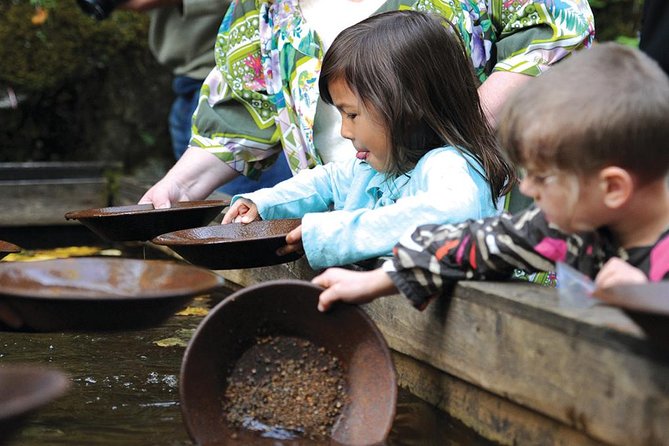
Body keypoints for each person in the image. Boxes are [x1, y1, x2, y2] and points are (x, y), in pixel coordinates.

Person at [312, 42, 669, 312]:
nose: (527, 188)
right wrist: (376, 280)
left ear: (613, 188)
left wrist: (652, 300)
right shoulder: (568, 228)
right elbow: (474, 243)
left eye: (543, 178)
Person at [139, 0, 594, 209]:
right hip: (352, 237)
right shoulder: (262, 8)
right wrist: (173, 191)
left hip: (482, 232)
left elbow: (560, 30)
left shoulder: (452, 180)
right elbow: (237, 113)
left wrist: (459, 134)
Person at [221, 10, 515, 270]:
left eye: (351, 115)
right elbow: (326, 181)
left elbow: (449, 215)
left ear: (408, 108)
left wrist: (333, 233)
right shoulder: (378, 167)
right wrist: (264, 203)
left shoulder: (450, 166)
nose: (344, 132)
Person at [119, 0, 291, 195]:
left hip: (247, 91)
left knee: (246, 211)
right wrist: (179, 186)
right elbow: (241, 126)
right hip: (207, 92)